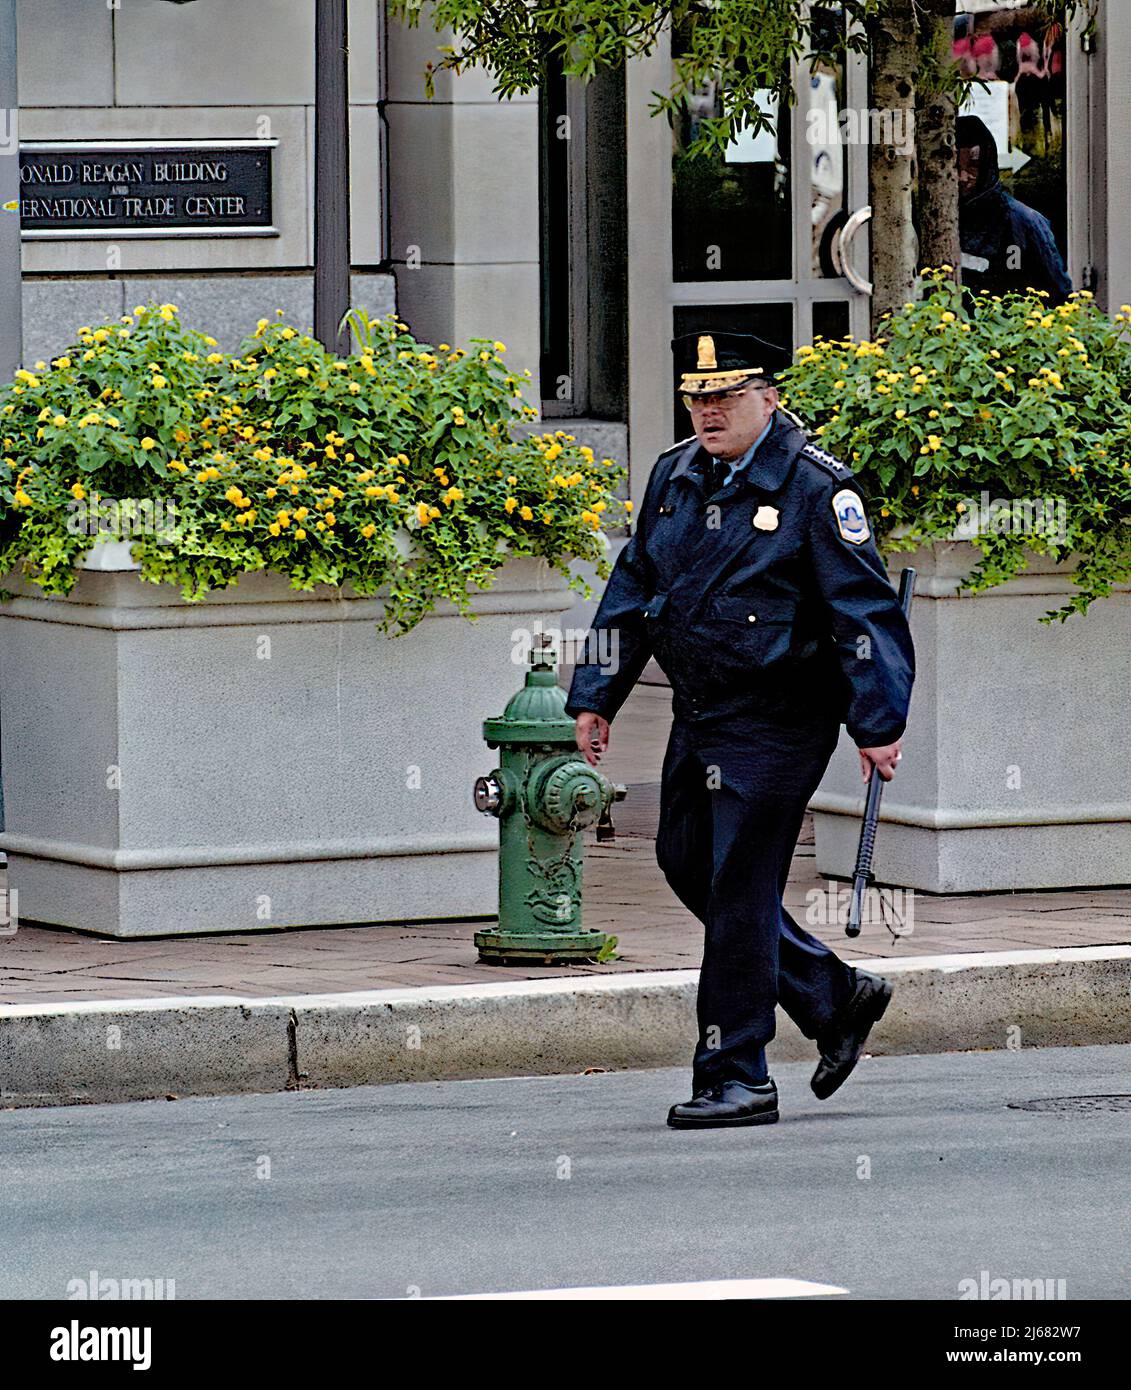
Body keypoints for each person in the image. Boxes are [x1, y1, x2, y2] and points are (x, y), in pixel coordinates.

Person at [565, 332, 915, 1129]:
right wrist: (596, 692)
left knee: (736, 889)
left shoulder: (816, 490)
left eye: (725, 396)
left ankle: (736, 1074)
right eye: (697, 397)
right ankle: (835, 996)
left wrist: (876, 721)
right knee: (685, 859)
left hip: (778, 718)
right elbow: (633, 586)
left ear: (769, 398)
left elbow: (864, 616)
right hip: (702, 711)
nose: (707, 410)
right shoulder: (675, 474)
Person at [956, 114, 1072, 305]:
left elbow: (1059, 294)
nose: (963, 177)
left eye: (973, 166)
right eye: (955, 166)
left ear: (987, 166)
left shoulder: (1022, 220)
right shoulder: (937, 220)